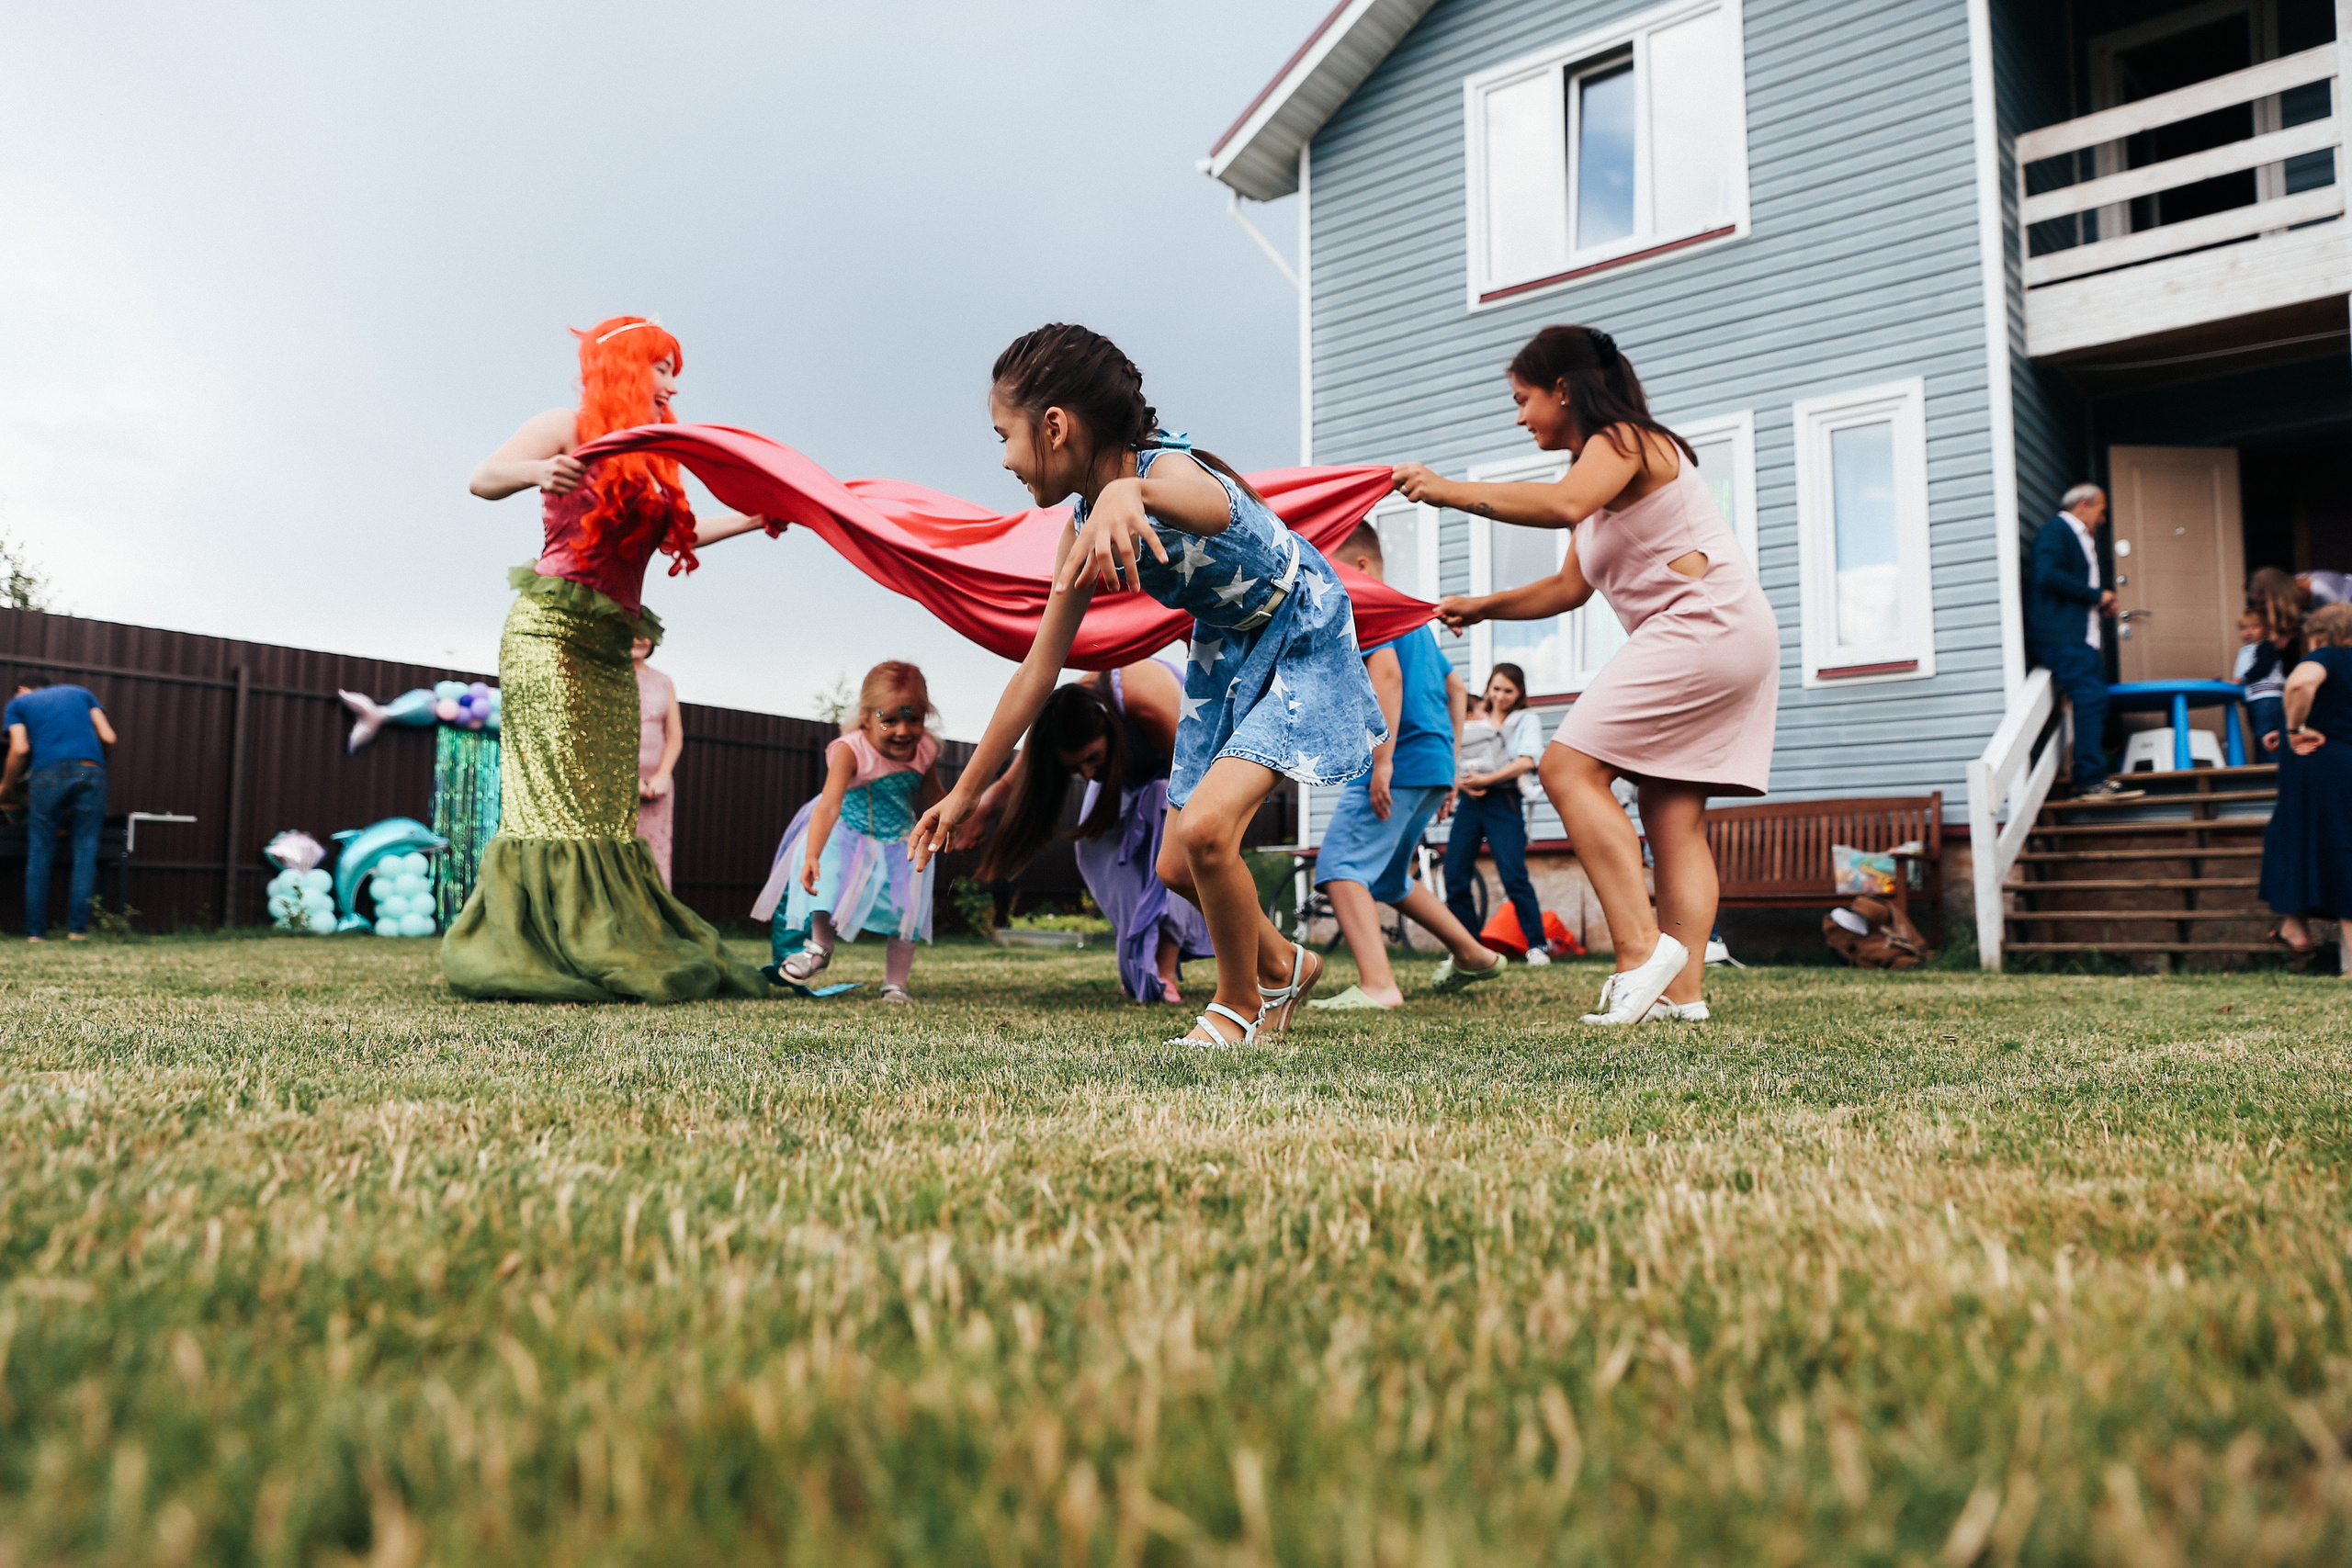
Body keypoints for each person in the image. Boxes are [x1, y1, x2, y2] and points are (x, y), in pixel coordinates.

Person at [910, 323, 1387, 1049]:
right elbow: (1040, 669)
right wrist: (965, 790)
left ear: (1055, 427)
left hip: (1300, 633)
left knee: (1203, 829)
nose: (1005, 458)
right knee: (1175, 861)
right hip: (1227, 657)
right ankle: (1287, 964)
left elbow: (1218, 510)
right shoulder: (1077, 529)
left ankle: (1238, 1006)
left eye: (1003, 435)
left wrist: (1131, 490)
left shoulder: (1172, 472)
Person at [1410, 323, 1779, 1025]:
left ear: (1563, 388)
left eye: (1523, 399)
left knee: (1566, 767)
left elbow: (1561, 507)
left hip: (1702, 624)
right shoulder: (1602, 471)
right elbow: (1568, 588)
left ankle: (1640, 955)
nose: (1520, 417)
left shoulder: (1623, 442)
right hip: (1730, 629)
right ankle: (1682, 996)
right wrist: (1482, 607)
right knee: (1673, 817)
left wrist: (1446, 490)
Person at [444, 316, 774, 1003]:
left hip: (609, 647)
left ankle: (603, 930)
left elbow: (678, 534)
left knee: (602, 803)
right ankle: (540, 940)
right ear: (627, 367)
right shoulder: (567, 424)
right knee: (554, 804)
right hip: (550, 633)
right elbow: (481, 477)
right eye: (660, 367)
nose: (671, 382)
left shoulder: (654, 455)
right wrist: (540, 470)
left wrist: (748, 520)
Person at [1307, 523, 1504, 1010]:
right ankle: (1474, 954)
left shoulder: (1364, 605)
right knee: (1391, 879)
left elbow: (1387, 675)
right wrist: (1452, 763)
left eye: (1327, 570)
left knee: (1340, 868)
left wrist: (1383, 763)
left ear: (1360, 569)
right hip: (1433, 761)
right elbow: (1457, 688)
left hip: (1399, 759)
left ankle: (1379, 985)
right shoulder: (1410, 618)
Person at [961, 661, 1214, 1004]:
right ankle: (1139, 957)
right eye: (1076, 767)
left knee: (1166, 847)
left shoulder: (1145, 700)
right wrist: (985, 807)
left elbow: (1197, 779)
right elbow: (1017, 775)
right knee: (1095, 851)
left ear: (1108, 725)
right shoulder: (1064, 713)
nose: (1087, 772)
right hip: (1125, 779)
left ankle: (1164, 969)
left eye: (1092, 757)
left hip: (1186, 776)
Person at [753, 661, 944, 1004]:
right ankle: (819, 949)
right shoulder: (851, 749)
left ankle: (895, 984)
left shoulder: (925, 750)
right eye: (890, 720)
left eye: (913, 719)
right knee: (825, 885)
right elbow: (828, 806)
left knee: (907, 910)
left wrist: (954, 822)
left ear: (925, 716)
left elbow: (937, 798)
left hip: (898, 838)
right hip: (844, 831)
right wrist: (811, 854)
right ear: (867, 717)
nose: (903, 730)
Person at [2025, 483, 2140, 800]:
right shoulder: (2057, 530)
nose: (2102, 520)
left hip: (2078, 638)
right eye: (2101, 512)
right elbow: (2046, 574)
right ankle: (2089, 780)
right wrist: (2095, 594)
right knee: (2090, 700)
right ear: (2084, 505)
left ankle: (2091, 777)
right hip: (2061, 638)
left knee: (2094, 702)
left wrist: (2097, 603)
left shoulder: (2078, 537)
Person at [2258, 602, 2352, 958]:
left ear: (2318, 634)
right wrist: (2285, 732)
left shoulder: (2328, 656)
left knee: (2336, 848)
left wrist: (2296, 729)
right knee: (2295, 835)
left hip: (2326, 769)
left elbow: (2299, 685)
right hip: (2336, 764)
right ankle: (2294, 926)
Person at [1444, 661, 1547, 964]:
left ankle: (1537, 945)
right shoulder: (1473, 717)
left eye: (1508, 691)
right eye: (1496, 688)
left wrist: (1488, 779)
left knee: (1514, 875)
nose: (1501, 695)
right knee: (1455, 876)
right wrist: (1463, 786)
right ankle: (1471, 949)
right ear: (1489, 687)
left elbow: (1529, 759)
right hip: (1471, 802)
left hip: (1505, 799)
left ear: (1519, 694)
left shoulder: (1525, 719)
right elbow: (1455, 752)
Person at [2, 674, 118, 942]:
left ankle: (35, 934)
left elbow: (19, 749)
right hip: (91, 771)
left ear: (21, 689)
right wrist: (94, 766)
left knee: (40, 851)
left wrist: (6, 788)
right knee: (86, 849)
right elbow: (109, 737)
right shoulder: (81, 693)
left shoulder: (18, 704)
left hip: (47, 775)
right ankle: (77, 930)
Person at [2239, 567, 2304, 761]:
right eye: (2243, 627)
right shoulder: (2249, 650)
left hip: (2268, 698)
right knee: (2262, 735)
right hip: (2258, 698)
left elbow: (2261, 668)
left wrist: (2242, 680)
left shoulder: (2266, 646)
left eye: (2255, 626)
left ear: (2267, 628)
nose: (2248, 631)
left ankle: (2271, 770)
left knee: (2268, 736)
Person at [632, 637, 682, 887]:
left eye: (644, 633)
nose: (638, 639)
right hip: (617, 782)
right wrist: (627, 778)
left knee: (655, 856)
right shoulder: (606, 678)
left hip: (657, 788)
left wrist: (663, 775)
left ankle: (654, 922)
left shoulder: (664, 682)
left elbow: (674, 735)